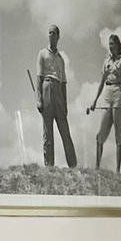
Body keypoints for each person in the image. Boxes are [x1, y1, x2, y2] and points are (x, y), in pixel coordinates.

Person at [87, 32, 121, 179]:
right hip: (106, 93)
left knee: (119, 133)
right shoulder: (105, 61)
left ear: (117, 46)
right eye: (109, 45)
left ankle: (118, 171)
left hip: (118, 93)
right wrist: (94, 101)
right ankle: (97, 167)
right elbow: (101, 82)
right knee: (100, 132)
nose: (110, 47)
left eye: (112, 45)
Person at [33, 25, 77, 170]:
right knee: (48, 132)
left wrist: (65, 104)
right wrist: (39, 99)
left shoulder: (61, 59)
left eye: (53, 33)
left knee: (65, 131)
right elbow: (39, 78)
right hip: (47, 88)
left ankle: (73, 165)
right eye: (49, 32)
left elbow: (64, 83)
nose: (51, 35)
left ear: (58, 37)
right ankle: (49, 165)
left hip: (59, 91)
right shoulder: (42, 54)